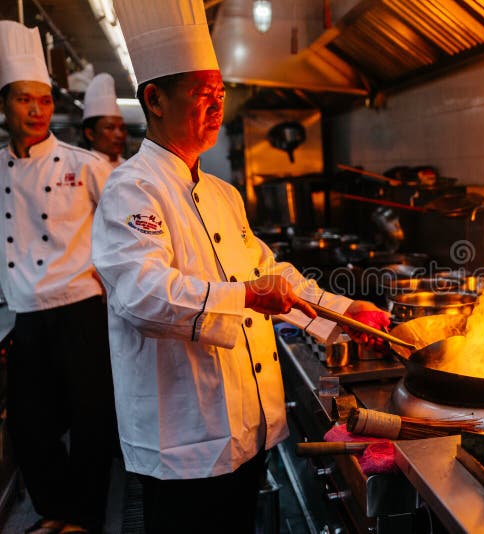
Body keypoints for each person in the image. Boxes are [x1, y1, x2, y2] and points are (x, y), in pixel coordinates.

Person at [91, 1, 389, 532]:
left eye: (220, 94)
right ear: (155, 99)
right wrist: (248, 298)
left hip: (246, 430)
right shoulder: (132, 188)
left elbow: (273, 273)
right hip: (184, 441)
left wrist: (346, 314)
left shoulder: (223, 194)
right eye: (201, 95)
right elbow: (142, 295)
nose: (216, 106)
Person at [0, 20, 116, 534]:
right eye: (25, 99)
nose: (37, 110)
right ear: (5, 104)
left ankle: (82, 520)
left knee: (93, 424)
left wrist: (106, 274)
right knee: (30, 432)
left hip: (81, 308)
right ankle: (57, 512)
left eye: (44, 101)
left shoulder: (84, 164)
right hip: (25, 313)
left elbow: (124, 231)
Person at [81, 72, 127, 168]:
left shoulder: (129, 167)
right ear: (90, 134)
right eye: (110, 128)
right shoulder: (82, 168)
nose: (120, 135)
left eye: (122, 128)